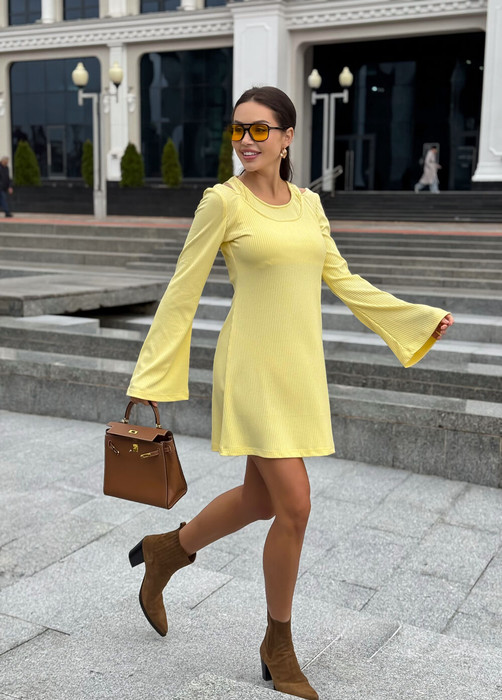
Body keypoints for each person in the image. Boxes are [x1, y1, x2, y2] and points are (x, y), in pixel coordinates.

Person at [126, 86, 454, 700]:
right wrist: (150, 379)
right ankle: (277, 645)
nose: (246, 140)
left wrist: (415, 320)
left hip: (298, 369)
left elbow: (344, 280)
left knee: (261, 500)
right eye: (238, 130)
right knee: (295, 505)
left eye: (259, 129)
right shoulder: (222, 202)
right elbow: (182, 290)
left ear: (286, 137)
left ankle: (167, 552)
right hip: (250, 368)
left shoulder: (309, 206)